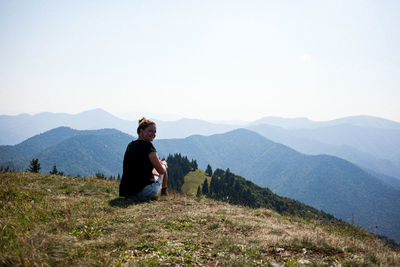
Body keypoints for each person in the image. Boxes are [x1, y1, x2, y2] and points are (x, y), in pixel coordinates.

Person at [119, 117, 168, 199]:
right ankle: (164, 192)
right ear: (141, 131)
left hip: (126, 193)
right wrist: (163, 164)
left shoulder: (130, 145)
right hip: (145, 192)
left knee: (155, 168)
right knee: (163, 166)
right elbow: (161, 171)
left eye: (155, 132)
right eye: (150, 131)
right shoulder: (148, 146)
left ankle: (163, 192)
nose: (153, 134)